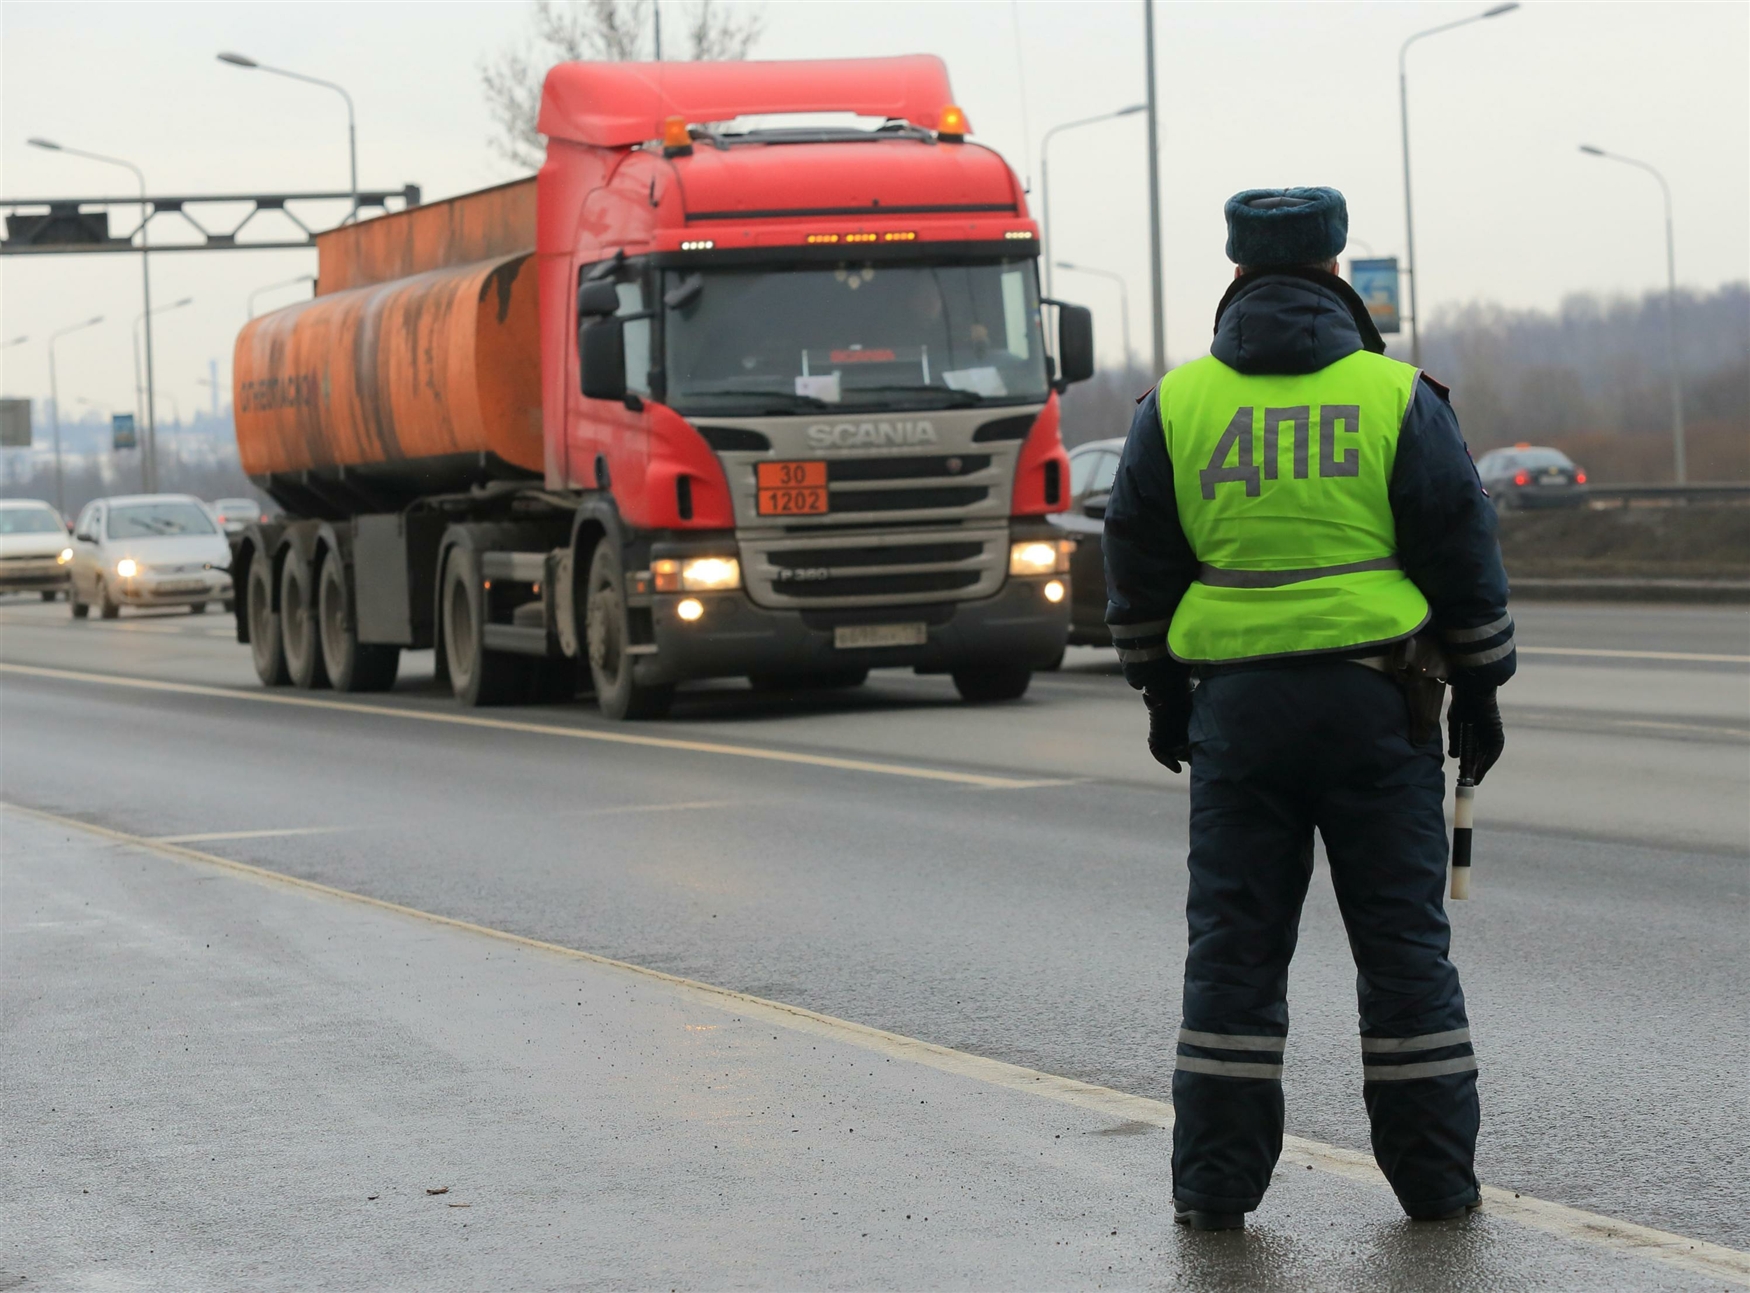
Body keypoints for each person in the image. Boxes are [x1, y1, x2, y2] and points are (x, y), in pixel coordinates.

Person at [1102, 187, 1515, 1231]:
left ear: (1234, 275)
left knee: (1233, 953)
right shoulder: (1396, 397)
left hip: (1235, 717)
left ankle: (1211, 1191)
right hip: (1381, 709)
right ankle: (1435, 1187)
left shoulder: (1176, 406)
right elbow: (1459, 548)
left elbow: (1138, 562)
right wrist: (1482, 684)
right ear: (1337, 272)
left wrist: (1158, 690)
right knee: (1403, 953)